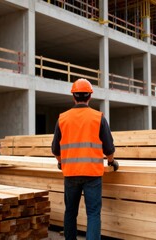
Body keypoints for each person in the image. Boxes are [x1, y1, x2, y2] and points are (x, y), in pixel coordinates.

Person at [51, 78, 119, 240]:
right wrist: (111, 162)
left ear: (74, 96)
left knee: (70, 212)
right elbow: (109, 148)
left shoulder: (62, 118)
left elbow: (55, 149)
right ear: (89, 96)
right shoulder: (98, 117)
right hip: (92, 175)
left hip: (71, 174)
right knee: (93, 213)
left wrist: (61, 162)